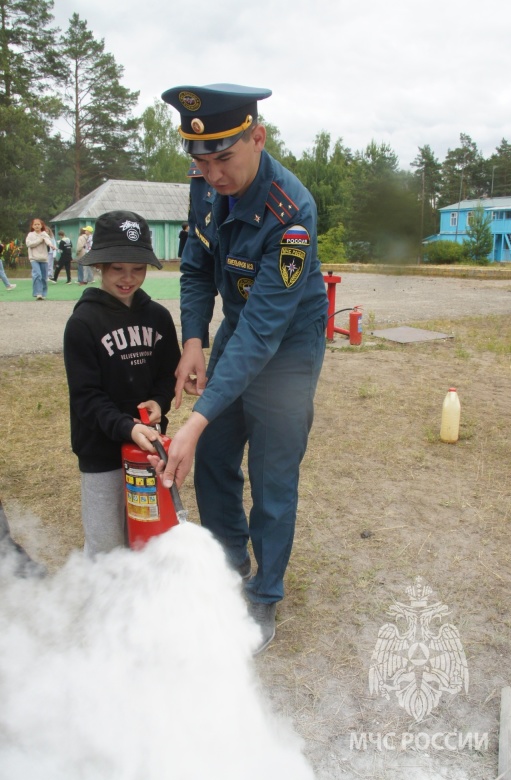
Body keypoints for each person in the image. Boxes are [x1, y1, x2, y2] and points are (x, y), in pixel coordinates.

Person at [158, 83, 328, 653]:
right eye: (200, 161)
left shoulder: (292, 211)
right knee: (214, 458)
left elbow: (264, 330)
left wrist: (196, 416)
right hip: (238, 326)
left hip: (287, 346)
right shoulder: (204, 188)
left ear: (258, 136)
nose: (212, 174)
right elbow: (196, 267)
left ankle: (263, 596)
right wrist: (192, 340)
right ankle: (228, 568)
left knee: (273, 478)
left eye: (223, 158)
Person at [63, 210, 181, 558]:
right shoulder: (82, 323)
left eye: (138, 268)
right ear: (99, 266)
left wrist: (159, 401)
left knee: (150, 535)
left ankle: (142, 607)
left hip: (149, 450)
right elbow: (87, 398)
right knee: (106, 544)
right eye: (118, 268)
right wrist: (127, 427)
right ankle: (102, 606)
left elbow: (166, 374)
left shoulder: (158, 317)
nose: (128, 278)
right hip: (101, 451)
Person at [26, 219, 55, 300]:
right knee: (37, 274)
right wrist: (39, 240)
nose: (37, 226)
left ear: (42, 225)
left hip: (43, 258)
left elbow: (47, 240)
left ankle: (43, 293)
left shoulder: (44, 234)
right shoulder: (30, 235)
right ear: (32, 226)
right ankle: (38, 293)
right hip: (33, 258)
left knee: (44, 277)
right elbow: (29, 244)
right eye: (35, 224)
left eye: (38, 224)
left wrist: (51, 245)